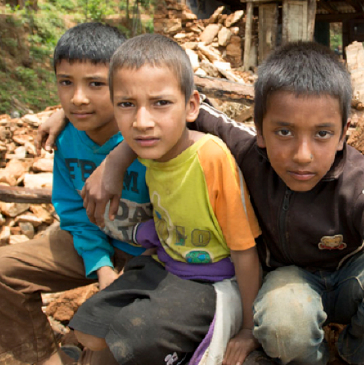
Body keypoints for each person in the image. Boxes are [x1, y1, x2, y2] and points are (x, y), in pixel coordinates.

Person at [40, 42, 364, 365]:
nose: (302, 154)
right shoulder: (246, 149)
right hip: (290, 278)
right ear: (261, 131)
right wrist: (108, 150)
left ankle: (360, 355)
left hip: (348, 277)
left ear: (344, 134)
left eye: (322, 134)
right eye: (284, 131)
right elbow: (163, 100)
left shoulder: (360, 190)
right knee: (285, 321)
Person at [67, 34, 262, 365]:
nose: (142, 122)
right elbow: (136, 138)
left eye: (161, 103)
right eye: (127, 105)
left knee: (132, 338)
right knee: (87, 329)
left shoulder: (210, 158)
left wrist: (248, 329)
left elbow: (244, 251)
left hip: (212, 280)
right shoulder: (150, 148)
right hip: (164, 263)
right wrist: (116, 159)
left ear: (191, 106)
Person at [0, 22, 153, 365]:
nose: (78, 98)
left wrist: (131, 273)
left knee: (109, 341)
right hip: (93, 241)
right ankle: (40, 355)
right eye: (66, 82)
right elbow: (74, 214)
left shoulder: (152, 136)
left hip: (153, 255)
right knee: (4, 270)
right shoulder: (68, 139)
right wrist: (99, 265)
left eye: (95, 84)